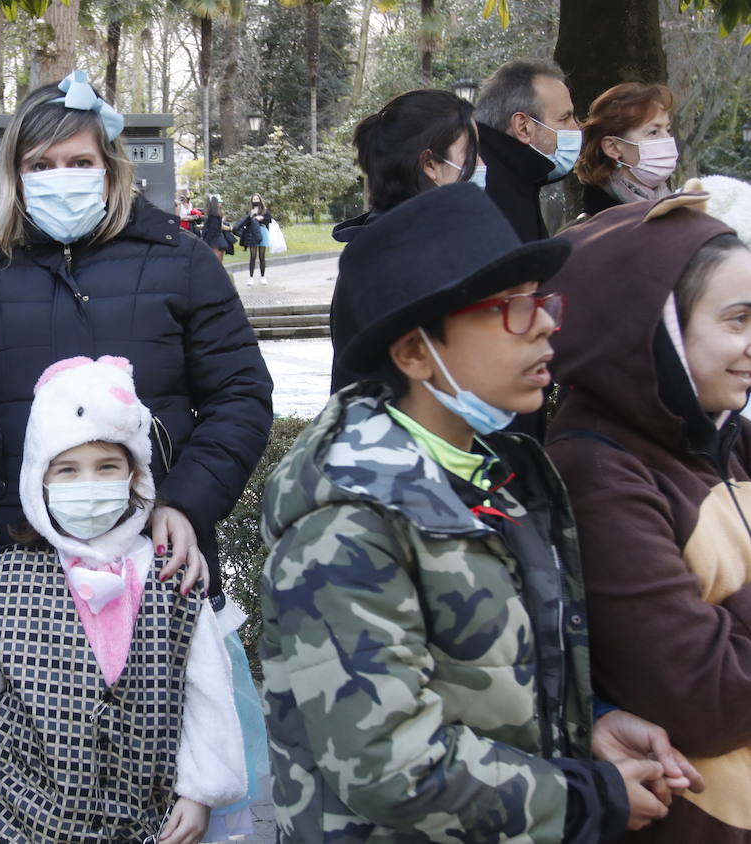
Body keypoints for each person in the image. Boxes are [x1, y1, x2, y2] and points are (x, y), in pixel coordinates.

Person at [260, 182, 704, 843]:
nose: (548, 322)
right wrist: (585, 799)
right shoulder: (348, 522)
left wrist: (592, 727)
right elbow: (388, 765)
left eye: (541, 300)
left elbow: (506, 677)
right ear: (415, 353)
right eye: (509, 307)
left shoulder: (498, 474)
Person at [0, 68, 272, 616]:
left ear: (110, 168)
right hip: (11, 559)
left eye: (79, 162)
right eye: (39, 166)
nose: (59, 177)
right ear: (15, 177)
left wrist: (187, 502)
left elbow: (240, 395)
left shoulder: (180, 261)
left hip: (156, 554)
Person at [0, 355, 248, 843]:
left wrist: (201, 792)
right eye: (67, 469)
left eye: (107, 466)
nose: (88, 484)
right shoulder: (9, 578)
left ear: (135, 474)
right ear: (39, 480)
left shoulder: (173, 574)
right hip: (29, 812)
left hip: (148, 814)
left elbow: (207, 691)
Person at [545, 189, 751, 842]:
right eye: (738, 321)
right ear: (654, 327)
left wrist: (728, 614)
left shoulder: (723, 436)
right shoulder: (599, 468)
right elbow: (709, 697)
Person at [329, 89, 482, 392]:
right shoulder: (401, 255)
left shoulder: (403, 238)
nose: (481, 165)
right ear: (431, 165)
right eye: (473, 153)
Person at [474, 59, 582, 242]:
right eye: (564, 118)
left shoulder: (514, 176)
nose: (576, 129)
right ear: (523, 127)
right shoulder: (490, 192)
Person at [575, 82, 678, 215]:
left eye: (668, 129)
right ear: (612, 148)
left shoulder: (678, 206)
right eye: (653, 132)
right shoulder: (596, 225)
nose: (667, 139)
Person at [233, 193, 274, 285]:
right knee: (252, 256)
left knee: (262, 256)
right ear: (252, 200)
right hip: (252, 234)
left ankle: (263, 276)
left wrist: (261, 218)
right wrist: (250, 215)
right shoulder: (249, 211)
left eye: (257, 198)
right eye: (254, 199)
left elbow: (269, 219)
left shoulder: (264, 210)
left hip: (262, 232)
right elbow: (245, 222)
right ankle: (251, 277)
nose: (256, 200)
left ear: (260, 200)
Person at [199, 194, 232, 259]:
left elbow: (213, 230)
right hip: (218, 241)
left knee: (215, 263)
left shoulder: (213, 216)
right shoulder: (215, 215)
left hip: (214, 242)